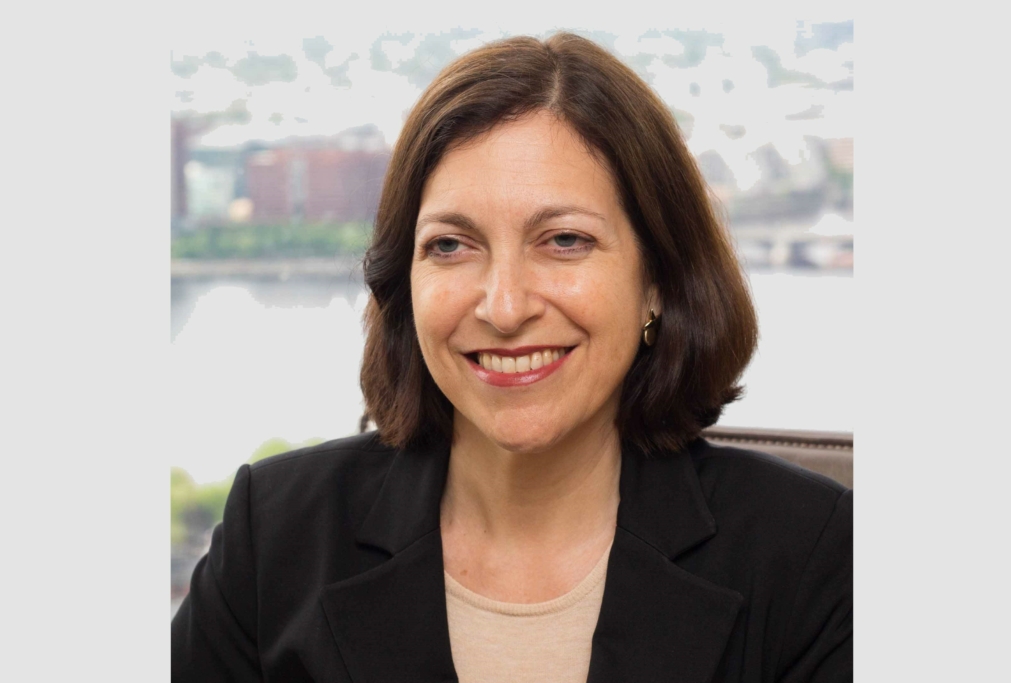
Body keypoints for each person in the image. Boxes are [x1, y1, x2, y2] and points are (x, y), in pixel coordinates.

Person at [171, 33, 852, 682]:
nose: (503, 306)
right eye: (450, 245)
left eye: (562, 240)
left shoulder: (813, 557)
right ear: (402, 281)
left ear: (657, 283)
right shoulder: (274, 540)